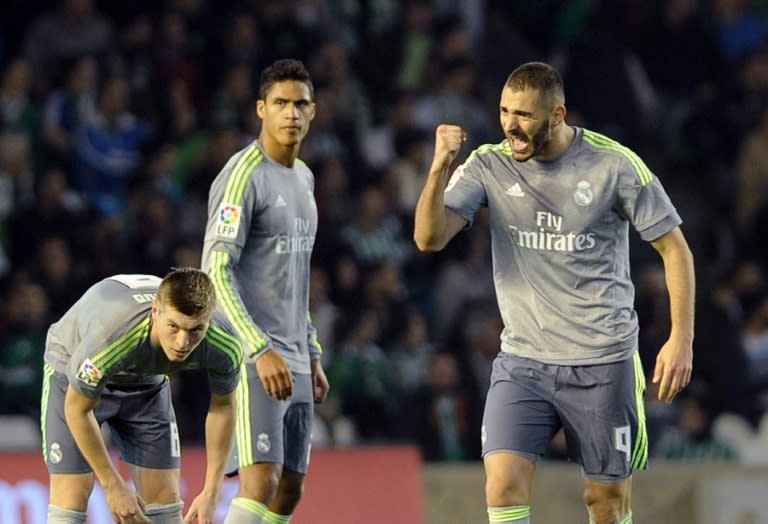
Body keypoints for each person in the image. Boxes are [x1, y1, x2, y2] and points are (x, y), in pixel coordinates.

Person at [413, 62, 695, 524]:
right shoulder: (489, 163)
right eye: (505, 111)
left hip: (603, 359)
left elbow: (675, 249)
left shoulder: (614, 165)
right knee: (502, 486)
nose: (510, 124)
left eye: (523, 114)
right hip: (523, 360)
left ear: (558, 115)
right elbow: (429, 238)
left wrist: (680, 338)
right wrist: (440, 166)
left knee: (605, 505)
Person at [201, 58, 330, 524]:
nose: (291, 113)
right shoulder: (243, 175)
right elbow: (214, 268)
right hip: (256, 355)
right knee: (261, 480)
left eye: (300, 104)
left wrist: (311, 351)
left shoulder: (305, 178)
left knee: (290, 489)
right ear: (261, 108)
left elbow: (295, 276)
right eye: (280, 103)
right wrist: (258, 349)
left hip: (295, 354)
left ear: (314, 111)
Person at [41, 268, 244, 523]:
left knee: (165, 510)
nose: (182, 342)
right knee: (71, 499)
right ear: (155, 311)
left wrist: (212, 492)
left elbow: (223, 407)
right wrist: (112, 485)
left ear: (209, 320)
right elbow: (77, 410)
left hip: (146, 381)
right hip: (73, 370)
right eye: (174, 327)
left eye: (195, 330)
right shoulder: (112, 336)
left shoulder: (225, 344)